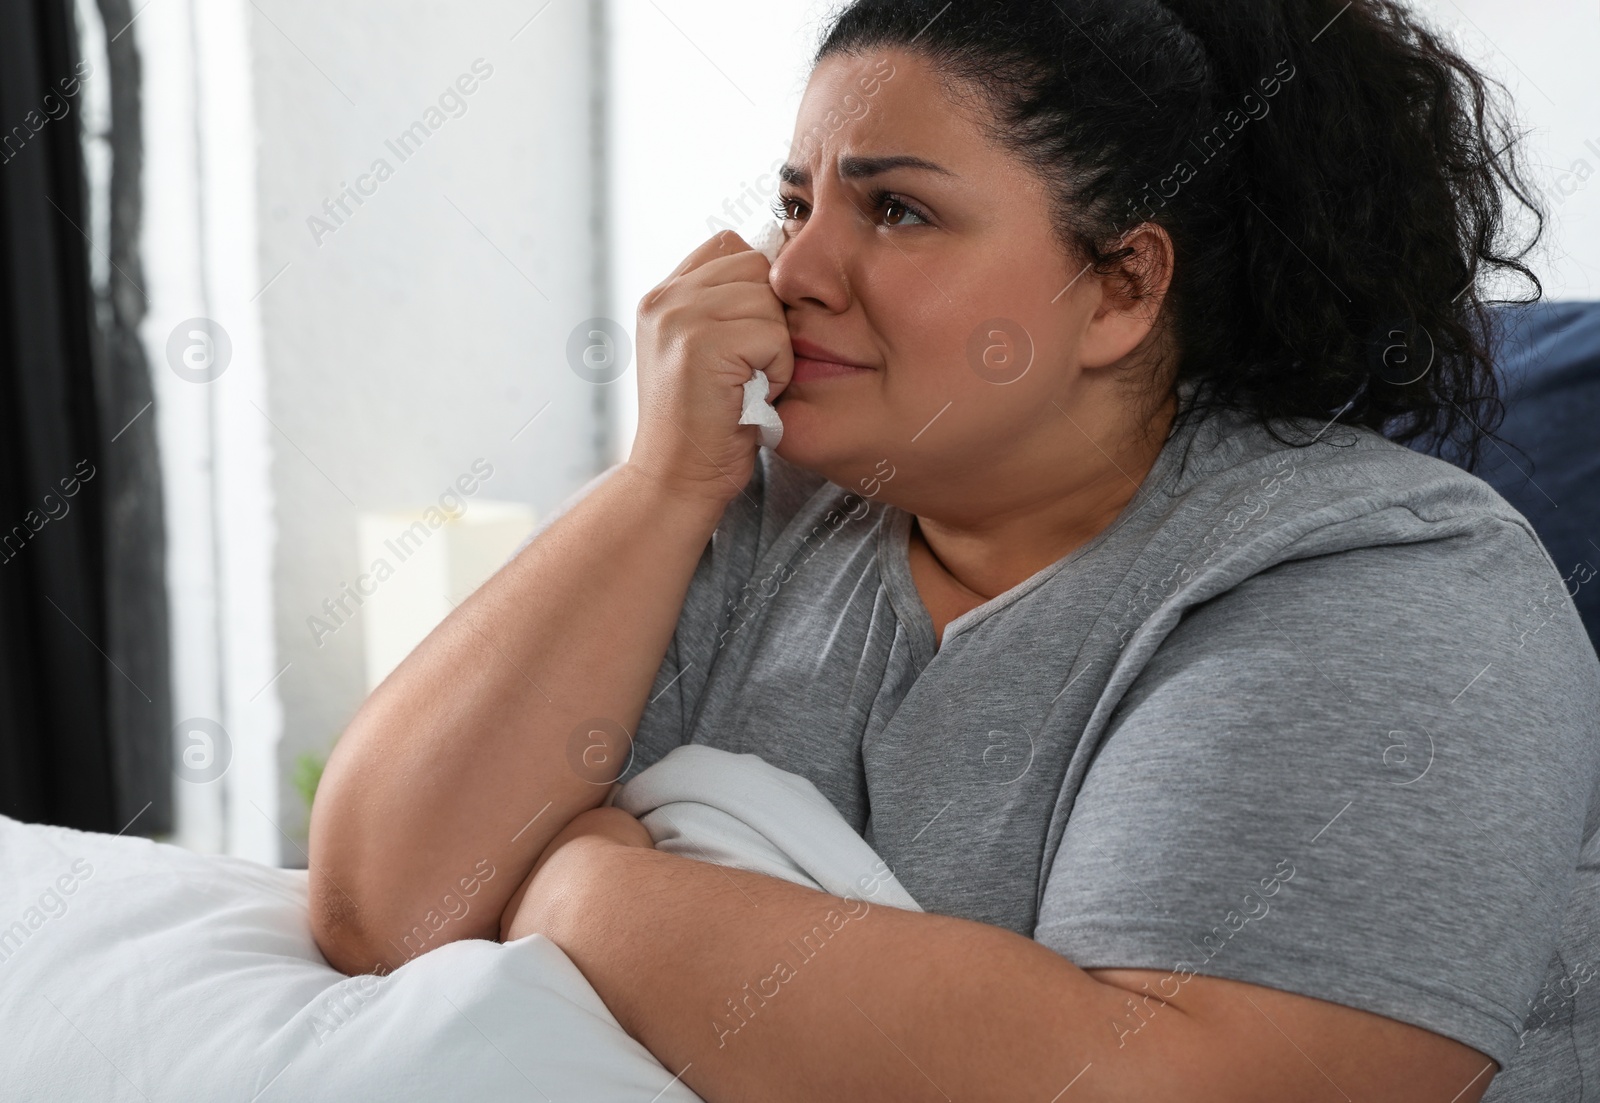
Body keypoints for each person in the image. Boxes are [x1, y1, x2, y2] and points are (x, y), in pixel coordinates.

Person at [308, 1, 1600, 1099]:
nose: (793, 270)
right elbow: (385, 907)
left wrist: (585, 902)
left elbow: (1157, 1088)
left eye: (900, 214)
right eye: (795, 202)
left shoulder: (1384, 595)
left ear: (1120, 289)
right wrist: (661, 484)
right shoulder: (753, 511)